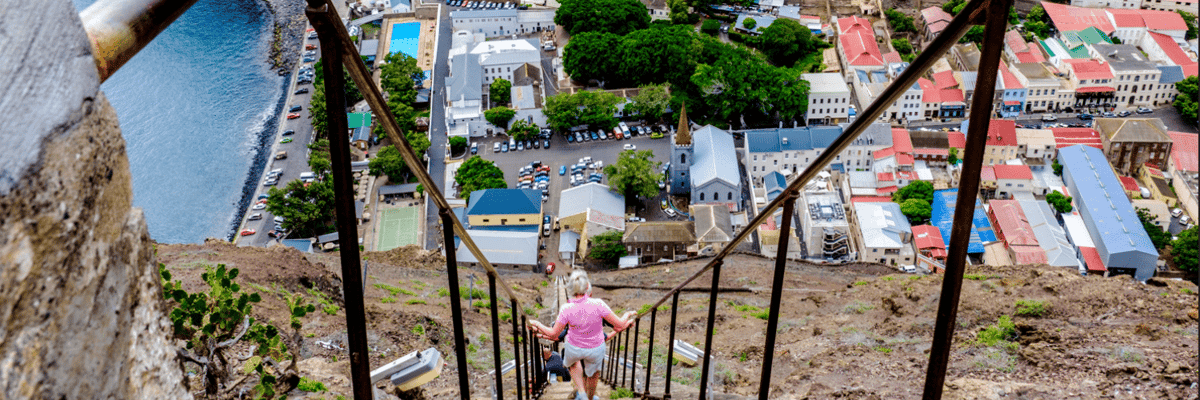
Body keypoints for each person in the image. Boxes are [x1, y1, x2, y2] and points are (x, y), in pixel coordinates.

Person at [529, 271, 636, 400]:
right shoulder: (599, 304)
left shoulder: (566, 308)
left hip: (575, 349)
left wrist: (537, 325)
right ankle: (589, 396)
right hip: (596, 349)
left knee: (572, 359)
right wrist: (627, 316)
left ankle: (580, 391)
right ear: (587, 290)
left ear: (571, 290)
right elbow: (619, 325)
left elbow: (554, 334)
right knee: (593, 370)